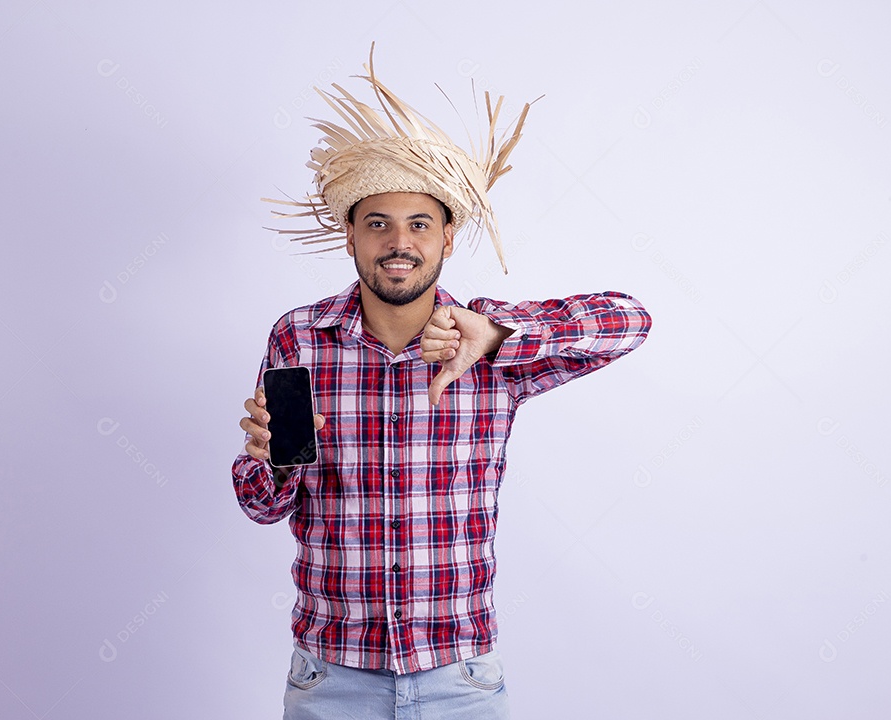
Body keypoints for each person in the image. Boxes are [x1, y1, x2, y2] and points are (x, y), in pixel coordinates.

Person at [232, 48, 651, 719]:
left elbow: (629, 320)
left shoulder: (492, 349)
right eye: (378, 223)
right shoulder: (300, 338)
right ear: (351, 236)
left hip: (460, 681)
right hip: (330, 678)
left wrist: (500, 329)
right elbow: (259, 506)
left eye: (419, 223)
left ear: (448, 237)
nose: (399, 242)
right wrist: (273, 459)